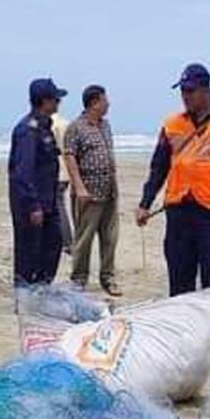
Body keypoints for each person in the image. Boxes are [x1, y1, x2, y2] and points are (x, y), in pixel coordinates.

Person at [137, 63, 210, 366]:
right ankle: (180, 341)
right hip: (178, 211)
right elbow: (159, 167)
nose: (185, 96)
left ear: (206, 91)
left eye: (190, 91)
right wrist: (146, 202)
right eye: (182, 91)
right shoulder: (172, 126)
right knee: (180, 280)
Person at [8, 78, 67, 287]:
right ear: (44, 101)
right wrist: (33, 206)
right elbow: (23, 173)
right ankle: (24, 296)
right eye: (56, 100)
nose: (59, 104)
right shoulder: (28, 131)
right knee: (28, 252)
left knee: (53, 245)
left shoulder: (45, 127)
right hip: (31, 206)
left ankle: (42, 289)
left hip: (48, 202)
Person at [64, 85, 122, 296]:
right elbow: (69, 157)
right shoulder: (76, 127)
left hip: (109, 191)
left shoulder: (105, 125)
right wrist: (79, 187)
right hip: (88, 193)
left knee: (110, 238)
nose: (108, 104)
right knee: (84, 238)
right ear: (94, 103)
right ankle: (78, 279)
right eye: (105, 100)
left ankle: (108, 277)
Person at [52, 112, 74, 255]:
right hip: (65, 169)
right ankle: (65, 240)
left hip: (55, 169)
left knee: (58, 205)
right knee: (60, 204)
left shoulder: (50, 124)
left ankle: (65, 241)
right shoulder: (66, 124)